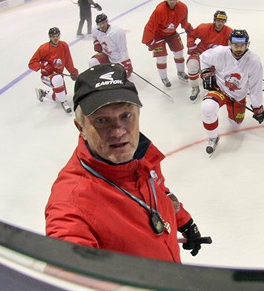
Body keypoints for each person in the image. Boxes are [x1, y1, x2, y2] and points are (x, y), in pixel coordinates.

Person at [45, 63, 205, 262]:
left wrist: (184, 221)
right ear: (81, 127)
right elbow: (67, 264)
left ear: (138, 115)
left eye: (126, 116)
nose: (118, 131)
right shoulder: (71, 203)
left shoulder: (140, 155)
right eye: (102, 121)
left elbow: (158, 190)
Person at [200, 29, 264, 154]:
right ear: (230, 43)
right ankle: (213, 137)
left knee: (236, 124)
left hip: (239, 96)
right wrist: (206, 72)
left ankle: (233, 115)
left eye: (242, 45)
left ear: (247, 44)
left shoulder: (254, 61)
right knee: (207, 108)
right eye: (235, 45)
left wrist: (258, 107)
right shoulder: (219, 52)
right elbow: (203, 58)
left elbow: (255, 86)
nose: (238, 48)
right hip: (220, 90)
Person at [142, 0, 193, 87]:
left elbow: (184, 21)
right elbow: (150, 25)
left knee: (179, 52)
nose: (172, 1)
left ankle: (181, 72)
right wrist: (149, 41)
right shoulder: (160, 10)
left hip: (172, 33)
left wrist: (188, 28)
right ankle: (164, 77)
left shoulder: (183, 7)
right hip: (158, 34)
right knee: (161, 57)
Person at [28, 27, 79, 114]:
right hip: (47, 76)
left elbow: (67, 60)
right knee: (58, 80)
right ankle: (64, 103)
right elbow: (31, 63)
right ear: (50, 37)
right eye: (53, 36)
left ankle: (43, 93)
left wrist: (73, 72)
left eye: (57, 36)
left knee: (58, 97)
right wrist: (42, 66)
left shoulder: (64, 45)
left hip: (58, 76)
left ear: (59, 36)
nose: (55, 38)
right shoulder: (43, 48)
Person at [186, 10, 233, 102]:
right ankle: (195, 87)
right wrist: (191, 43)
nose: (220, 23)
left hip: (216, 60)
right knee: (192, 64)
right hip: (201, 54)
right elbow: (191, 35)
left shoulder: (229, 32)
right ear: (214, 20)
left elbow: (233, 48)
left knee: (214, 84)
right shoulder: (204, 27)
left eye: (223, 21)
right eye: (218, 20)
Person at [89, 13, 133, 79]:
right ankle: (96, 80)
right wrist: (96, 42)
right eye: (100, 24)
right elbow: (94, 36)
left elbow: (123, 49)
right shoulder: (95, 30)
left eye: (103, 23)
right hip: (106, 55)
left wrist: (126, 62)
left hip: (118, 60)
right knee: (92, 62)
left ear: (107, 22)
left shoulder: (117, 32)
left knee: (119, 78)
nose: (102, 25)